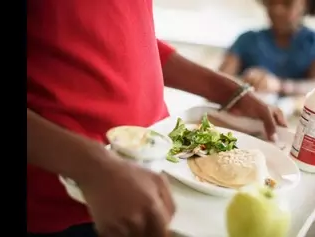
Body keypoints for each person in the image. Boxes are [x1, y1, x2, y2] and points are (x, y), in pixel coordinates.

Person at [27, 1, 288, 237]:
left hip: (156, 177)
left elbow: (127, 40)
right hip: (68, 200)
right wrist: (92, 166)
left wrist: (229, 91)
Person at [219, 0, 315, 97]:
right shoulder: (247, 40)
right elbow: (219, 80)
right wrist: (243, 80)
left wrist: (279, 85)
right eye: (271, 2)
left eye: (287, 3)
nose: (277, 10)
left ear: (306, 4)